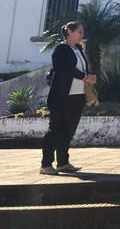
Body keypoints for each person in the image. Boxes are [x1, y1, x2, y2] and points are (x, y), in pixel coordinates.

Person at [40, 21, 97, 175]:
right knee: (56, 129)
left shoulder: (78, 49)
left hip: (78, 96)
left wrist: (89, 76)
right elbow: (65, 69)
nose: (82, 35)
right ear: (70, 32)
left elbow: (83, 67)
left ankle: (63, 162)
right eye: (79, 32)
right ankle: (46, 165)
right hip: (62, 96)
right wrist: (85, 76)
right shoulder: (61, 49)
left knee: (69, 130)